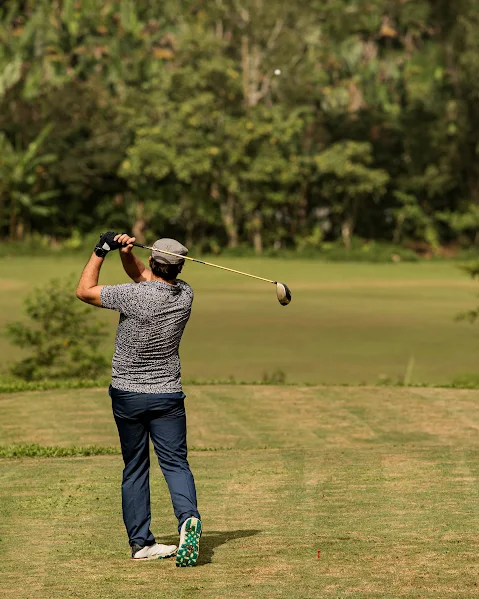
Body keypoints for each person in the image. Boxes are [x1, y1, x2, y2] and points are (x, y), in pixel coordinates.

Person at [76, 231, 202, 566]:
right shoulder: (185, 294)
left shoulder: (133, 295)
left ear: (152, 260)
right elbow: (146, 277)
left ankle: (142, 544)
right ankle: (188, 518)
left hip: (128, 394)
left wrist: (101, 250)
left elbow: (84, 291)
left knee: (135, 466)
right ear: (179, 268)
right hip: (167, 395)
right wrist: (125, 253)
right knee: (176, 463)